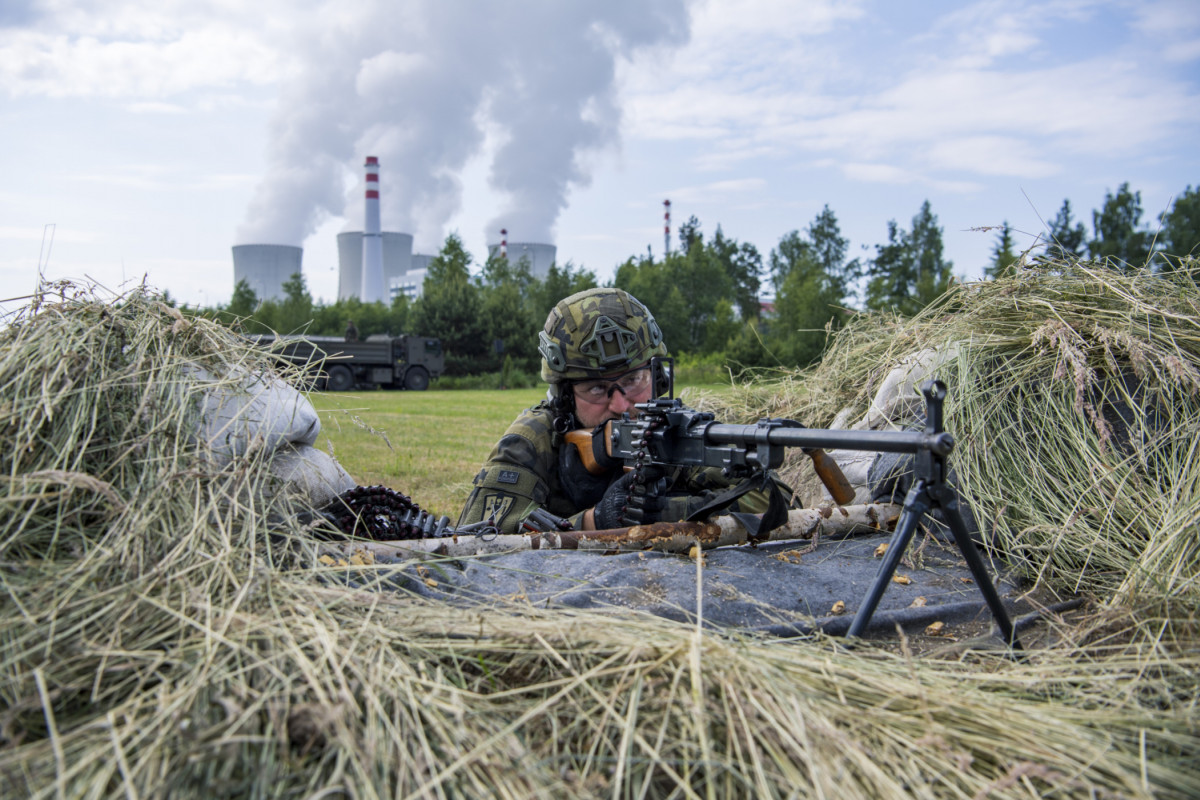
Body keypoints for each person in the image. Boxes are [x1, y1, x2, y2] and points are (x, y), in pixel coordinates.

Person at [457, 287, 791, 535]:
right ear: (565, 395)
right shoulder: (535, 439)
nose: (620, 405)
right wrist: (593, 522)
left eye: (633, 380)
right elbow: (474, 535)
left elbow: (775, 503)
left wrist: (660, 511)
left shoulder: (674, 429)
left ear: (658, 376)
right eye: (597, 388)